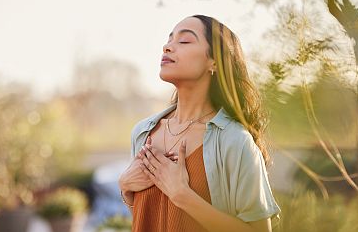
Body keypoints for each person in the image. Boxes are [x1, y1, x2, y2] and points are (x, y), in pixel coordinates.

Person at [118, 15, 281, 232]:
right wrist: (126, 188)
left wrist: (182, 195)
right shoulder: (142, 132)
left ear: (214, 62)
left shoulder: (235, 141)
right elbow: (149, 218)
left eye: (184, 41)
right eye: (169, 40)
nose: (167, 47)